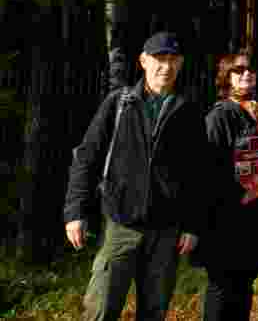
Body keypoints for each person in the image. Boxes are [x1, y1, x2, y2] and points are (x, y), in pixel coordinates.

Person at [63, 31, 208, 321]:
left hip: (166, 230)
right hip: (121, 224)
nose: (165, 67)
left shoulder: (189, 111)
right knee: (100, 310)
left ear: (180, 64)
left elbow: (198, 174)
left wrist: (192, 225)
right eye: (159, 59)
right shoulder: (119, 103)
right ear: (143, 61)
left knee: (154, 313)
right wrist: (75, 211)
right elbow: (87, 157)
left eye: (172, 60)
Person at [195, 50, 258, 320]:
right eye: (238, 70)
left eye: (250, 69)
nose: (246, 73)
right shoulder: (219, 116)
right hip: (226, 223)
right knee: (223, 291)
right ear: (226, 77)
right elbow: (209, 170)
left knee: (243, 291)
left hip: (254, 219)